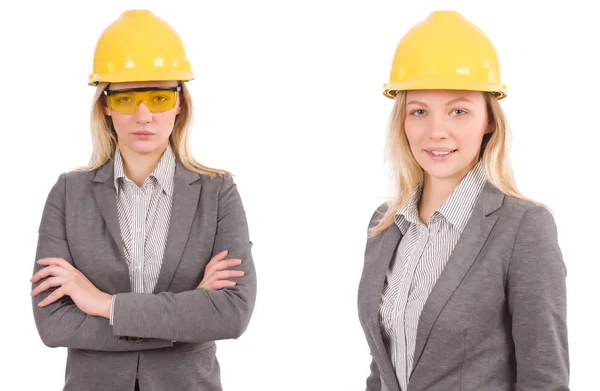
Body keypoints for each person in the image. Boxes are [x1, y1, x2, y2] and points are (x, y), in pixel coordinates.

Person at [30, 9, 256, 391]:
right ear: (105, 105)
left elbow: (231, 314)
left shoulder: (218, 192)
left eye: (158, 97)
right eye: (125, 100)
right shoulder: (68, 194)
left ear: (180, 103)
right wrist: (189, 311)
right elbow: (54, 324)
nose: (143, 115)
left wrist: (103, 304)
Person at [357, 10, 569, 391]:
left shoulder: (523, 227)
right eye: (419, 111)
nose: (436, 131)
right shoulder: (384, 224)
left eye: (458, 111)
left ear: (489, 119)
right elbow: (383, 366)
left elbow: (544, 377)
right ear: (402, 122)